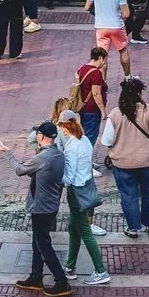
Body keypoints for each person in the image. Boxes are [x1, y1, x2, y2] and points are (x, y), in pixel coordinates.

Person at [6, 122, 73, 296]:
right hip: (51, 206)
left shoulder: (43, 157)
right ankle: (35, 277)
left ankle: (61, 281)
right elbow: (39, 173)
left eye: (37, 134)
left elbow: (20, 170)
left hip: (40, 208)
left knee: (43, 245)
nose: (36, 136)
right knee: (37, 242)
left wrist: (9, 154)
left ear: (42, 136)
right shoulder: (58, 154)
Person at [100, 76, 149, 236]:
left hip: (123, 163)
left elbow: (107, 140)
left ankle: (133, 228)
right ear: (139, 93)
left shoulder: (115, 114)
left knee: (128, 195)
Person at [56, 111, 110, 285]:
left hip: (76, 192)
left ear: (64, 127)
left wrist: (56, 176)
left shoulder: (71, 147)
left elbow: (69, 178)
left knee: (85, 231)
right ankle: (70, 267)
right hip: (86, 187)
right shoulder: (85, 140)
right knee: (73, 228)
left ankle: (101, 271)